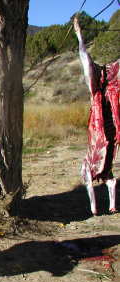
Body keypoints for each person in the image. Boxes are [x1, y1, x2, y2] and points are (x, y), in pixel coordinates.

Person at [73, 16, 120, 215]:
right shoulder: (108, 89)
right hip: (107, 124)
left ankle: (96, 208)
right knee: (107, 169)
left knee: (92, 170)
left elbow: (84, 57)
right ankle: (109, 205)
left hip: (102, 128)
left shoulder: (100, 92)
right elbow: (84, 58)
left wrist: (79, 35)